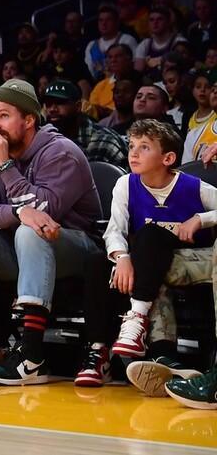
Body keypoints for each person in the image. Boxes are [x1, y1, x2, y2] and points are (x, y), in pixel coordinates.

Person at [0, 79, 102, 386]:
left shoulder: (61, 152)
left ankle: (31, 353)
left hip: (77, 248)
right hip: (22, 248)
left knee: (30, 232)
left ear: (28, 120)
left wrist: (5, 168)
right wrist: (17, 212)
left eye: (3, 116)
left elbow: (45, 211)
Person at [96, 121, 216, 390]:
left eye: (144, 147)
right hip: (154, 268)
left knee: (149, 246)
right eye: (131, 146)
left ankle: (137, 320)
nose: (134, 153)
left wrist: (201, 218)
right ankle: (164, 357)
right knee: (148, 256)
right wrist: (121, 257)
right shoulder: (125, 184)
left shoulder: (193, 187)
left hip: (199, 262)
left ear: (168, 158)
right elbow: (114, 230)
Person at [42, 80, 128, 169]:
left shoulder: (105, 141)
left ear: (78, 106)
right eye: (48, 104)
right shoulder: (45, 141)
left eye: (60, 102)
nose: (52, 109)